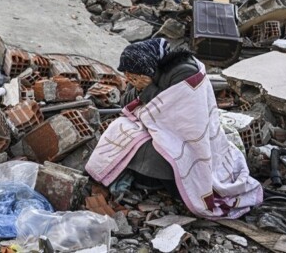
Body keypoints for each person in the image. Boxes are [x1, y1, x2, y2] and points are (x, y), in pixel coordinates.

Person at [85, 39, 264, 219]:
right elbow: (130, 102)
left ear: (147, 70)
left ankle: (170, 187)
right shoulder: (150, 72)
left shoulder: (185, 72)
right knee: (119, 127)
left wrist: (147, 87)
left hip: (188, 135)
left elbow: (179, 114)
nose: (130, 80)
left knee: (157, 151)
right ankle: (139, 177)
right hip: (164, 125)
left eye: (133, 76)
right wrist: (140, 87)